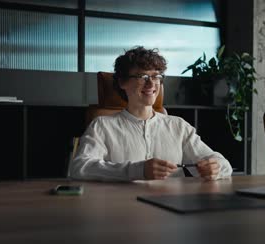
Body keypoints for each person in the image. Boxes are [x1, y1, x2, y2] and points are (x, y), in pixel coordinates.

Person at [70, 46, 232, 182]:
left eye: (156, 76)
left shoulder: (178, 126)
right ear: (122, 82)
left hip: (172, 211)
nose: (151, 83)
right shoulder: (103, 125)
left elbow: (224, 165)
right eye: (142, 76)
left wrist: (215, 168)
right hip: (121, 210)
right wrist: (137, 170)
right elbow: (80, 167)